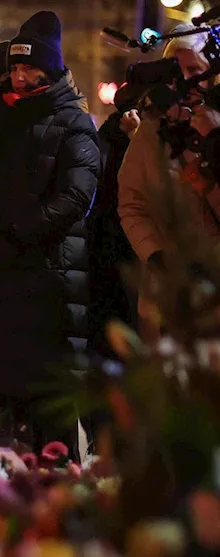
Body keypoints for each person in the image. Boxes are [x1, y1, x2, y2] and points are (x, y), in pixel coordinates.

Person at [0, 11, 99, 449]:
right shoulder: (3, 122)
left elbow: (76, 196)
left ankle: (59, 507)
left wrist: (20, 233)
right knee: (1, 410)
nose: (19, 77)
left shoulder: (73, 122)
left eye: (28, 68)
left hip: (49, 282)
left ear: (51, 70)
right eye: (14, 68)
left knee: (50, 412)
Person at [119, 24, 220, 338]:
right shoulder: (154, 130)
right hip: (169, 294)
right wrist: (156, 255)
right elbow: (131, 203)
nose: (186, 79)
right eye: (178, 70)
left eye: (195, 69)